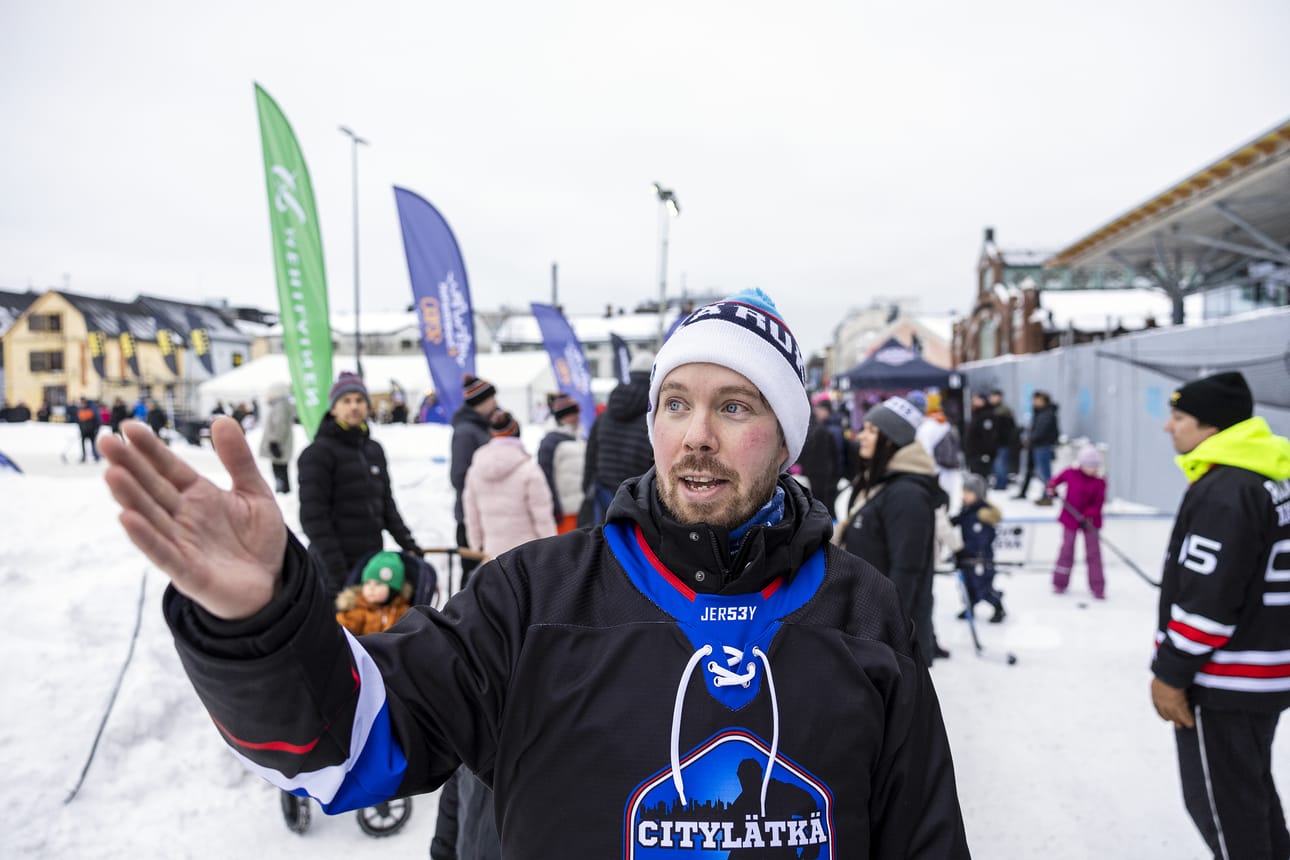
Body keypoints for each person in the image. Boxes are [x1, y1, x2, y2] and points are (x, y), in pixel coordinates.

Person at [100, 287, 969, 857]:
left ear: (785, 441)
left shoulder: (862, 612)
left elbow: (925, 839)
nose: (696, 433)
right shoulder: (533, 599)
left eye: (734, 406)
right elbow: (351, 745)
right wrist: (259, 624)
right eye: (678, 403)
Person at [1150, 371, 1290, 859]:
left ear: (1211, 428)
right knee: (1252, 798)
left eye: (1180, 417)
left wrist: (1170, 673)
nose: (1169, 428)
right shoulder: (1270, 476)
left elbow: (1210, 600)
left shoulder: (1225, 489)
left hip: (1226, 679)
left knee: (1223, 811)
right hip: (1265, 673)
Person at [837, 395, 950, 665]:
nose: (861, 436)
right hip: (867, 624)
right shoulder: (879, 483)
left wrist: (885, 636)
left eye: (871, 431)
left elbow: (906, 571)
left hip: (887, 640)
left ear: (892, 438)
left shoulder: (907, 494)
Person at [297, 371, 422, 600]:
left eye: (359, 400)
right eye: (346, 401)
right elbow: (313, 519)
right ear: (333, 408)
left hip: (370, 563)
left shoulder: (373, 450)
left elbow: (386, 505)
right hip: (332, 567)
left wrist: (409, 545)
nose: (354, 406)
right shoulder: (317, 454)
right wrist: (337, 571)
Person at [463, 409, 557, 558]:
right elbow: (542, 516)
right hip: (527, 555)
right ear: (517, 433)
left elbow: (471, 514)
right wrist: (552, 548)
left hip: (492, 553)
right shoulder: (529, 469)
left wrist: (476, 544)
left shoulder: (475, 469)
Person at [582, 351, 655, 525]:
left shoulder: (606, 414)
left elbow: (590, 454)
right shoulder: (654, 416)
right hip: (640, 500)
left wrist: (587, 489)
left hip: (605, 496)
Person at [450, 375, 499, 586]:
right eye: (492, 399)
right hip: (470, 517)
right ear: (482, 401)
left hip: (486, 513)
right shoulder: (465, 432)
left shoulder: (483, 428)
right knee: (471, 574)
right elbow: (458, 476)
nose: (496, 403)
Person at [1046, 446, 1106, 598]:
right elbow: (1055, 481)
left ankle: (1097, 587)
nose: (1091, 469)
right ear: (1081, 464)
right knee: (1067, 550)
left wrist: (1088, 515)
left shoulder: (1100, 482)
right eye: (1088, 466)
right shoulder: (1070, 474)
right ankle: (1059, 583)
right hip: (1070, 518)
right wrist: (1052, 487)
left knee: (1093, 553)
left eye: (1094, 466)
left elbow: (1098, 504)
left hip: (1090, 521)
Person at [952, 473, 1005, 623]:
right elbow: (958, 520)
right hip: (968, 558)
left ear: (978, 494)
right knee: (968, 586)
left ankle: (998, 607)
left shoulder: (982, 514)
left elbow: (981, 539)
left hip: (980, 558)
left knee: (982, 586)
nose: (964, 495)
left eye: (968, 493)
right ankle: (970, 607)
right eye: (964, 492)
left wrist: (966, 550)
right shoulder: (967, 510)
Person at [536, 394, 586, 534]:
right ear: (561, 416)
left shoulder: (579, 438)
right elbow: (545, 476)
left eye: (576, 412)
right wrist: (554, 509)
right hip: (564, 514)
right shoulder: (550, 441)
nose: (576, 416)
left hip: (581, 510)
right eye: (571, 413)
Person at [794, 395, 845, 520]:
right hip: (827, 478)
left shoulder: (825, 431)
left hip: (825, 479)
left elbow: (834, 457)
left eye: (820, 408)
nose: (817, 411)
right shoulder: (825, 428)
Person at [1015, 391, 1060, 503]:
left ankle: (1048, 495)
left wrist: (1031, 439)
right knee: (1035, 472)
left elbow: (1042, 431)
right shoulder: (1039, 413)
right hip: (1037, 446)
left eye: (1038, 400)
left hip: (1043, 447)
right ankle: (1041, 494)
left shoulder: (1047, 414)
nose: (1035, 403)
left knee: (1044, 473)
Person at [257, 382, 295, 494]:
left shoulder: (280, 406)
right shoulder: (282, 405)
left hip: (279, 444)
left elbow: (280, 424)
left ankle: (282, 490)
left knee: (279, 469)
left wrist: (275, 442)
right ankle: (283, 490)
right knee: (281, 468)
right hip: (281, 443)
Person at [963, 391, 1000, 480]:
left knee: (980, 481)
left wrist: (985, 454)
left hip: (980, 456)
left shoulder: (987, 415)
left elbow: (989, 437)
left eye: (976, 399)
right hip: (973, 455)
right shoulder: (977, 414)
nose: (973, 401)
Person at [987, 389, 1016, 491]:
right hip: (996, 443)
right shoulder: (992, 410)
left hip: (1002, 443)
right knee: (997, 464)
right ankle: (999, 482)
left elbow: (1008, 429)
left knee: (1000, 464)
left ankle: (1002, 483)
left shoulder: (1003, 411)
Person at [75, 397, 101, 462]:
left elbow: (97, 420)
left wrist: (96, 429)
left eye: (82, 402)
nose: (81, 404)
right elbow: (79, 421)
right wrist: (80, 429)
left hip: (92, 430)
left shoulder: (92, 409)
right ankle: (84, 456)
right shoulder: (80, 410)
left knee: (93, 444)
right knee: (83, 444)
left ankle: (96, 456)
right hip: (84, 430)